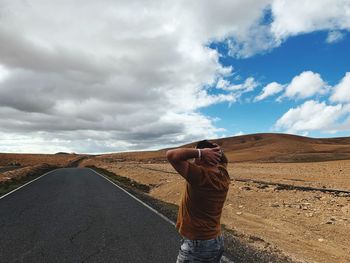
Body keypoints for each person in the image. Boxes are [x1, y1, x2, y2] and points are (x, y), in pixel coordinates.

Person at [166, 140, 230, 263]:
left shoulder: (200, 176)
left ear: (202, 158)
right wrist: (218, 152)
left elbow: (171, 155)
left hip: (198, 245)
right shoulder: (223, 174)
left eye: (197, 156)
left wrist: (201, 152)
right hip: (215, 240)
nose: (194, 159)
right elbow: (224, 161)